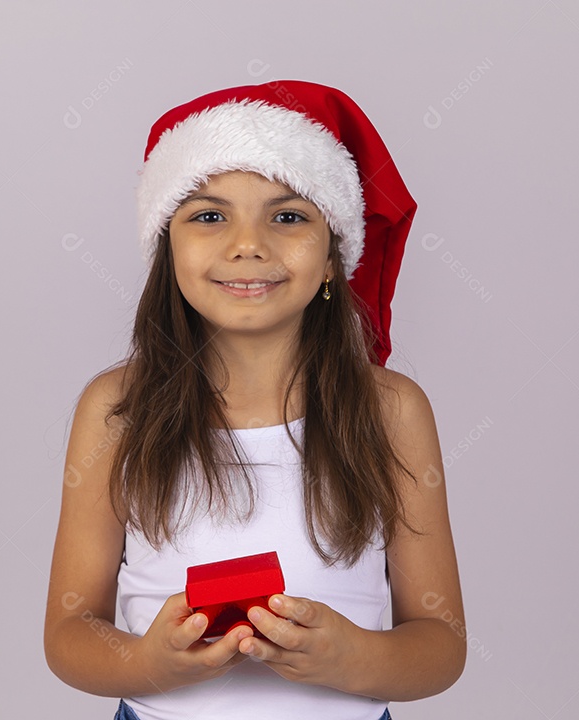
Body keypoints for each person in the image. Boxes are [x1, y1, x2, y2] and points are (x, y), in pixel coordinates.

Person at [44, 80, 465, 720]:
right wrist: (151, 663)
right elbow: (69, 634)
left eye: (288, 216)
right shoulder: (116, 408)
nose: (248, 244)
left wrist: (350, 657)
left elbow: (441, 646)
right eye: (209, 216)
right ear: (167, 245)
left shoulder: (391, 410)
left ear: (333, 256)